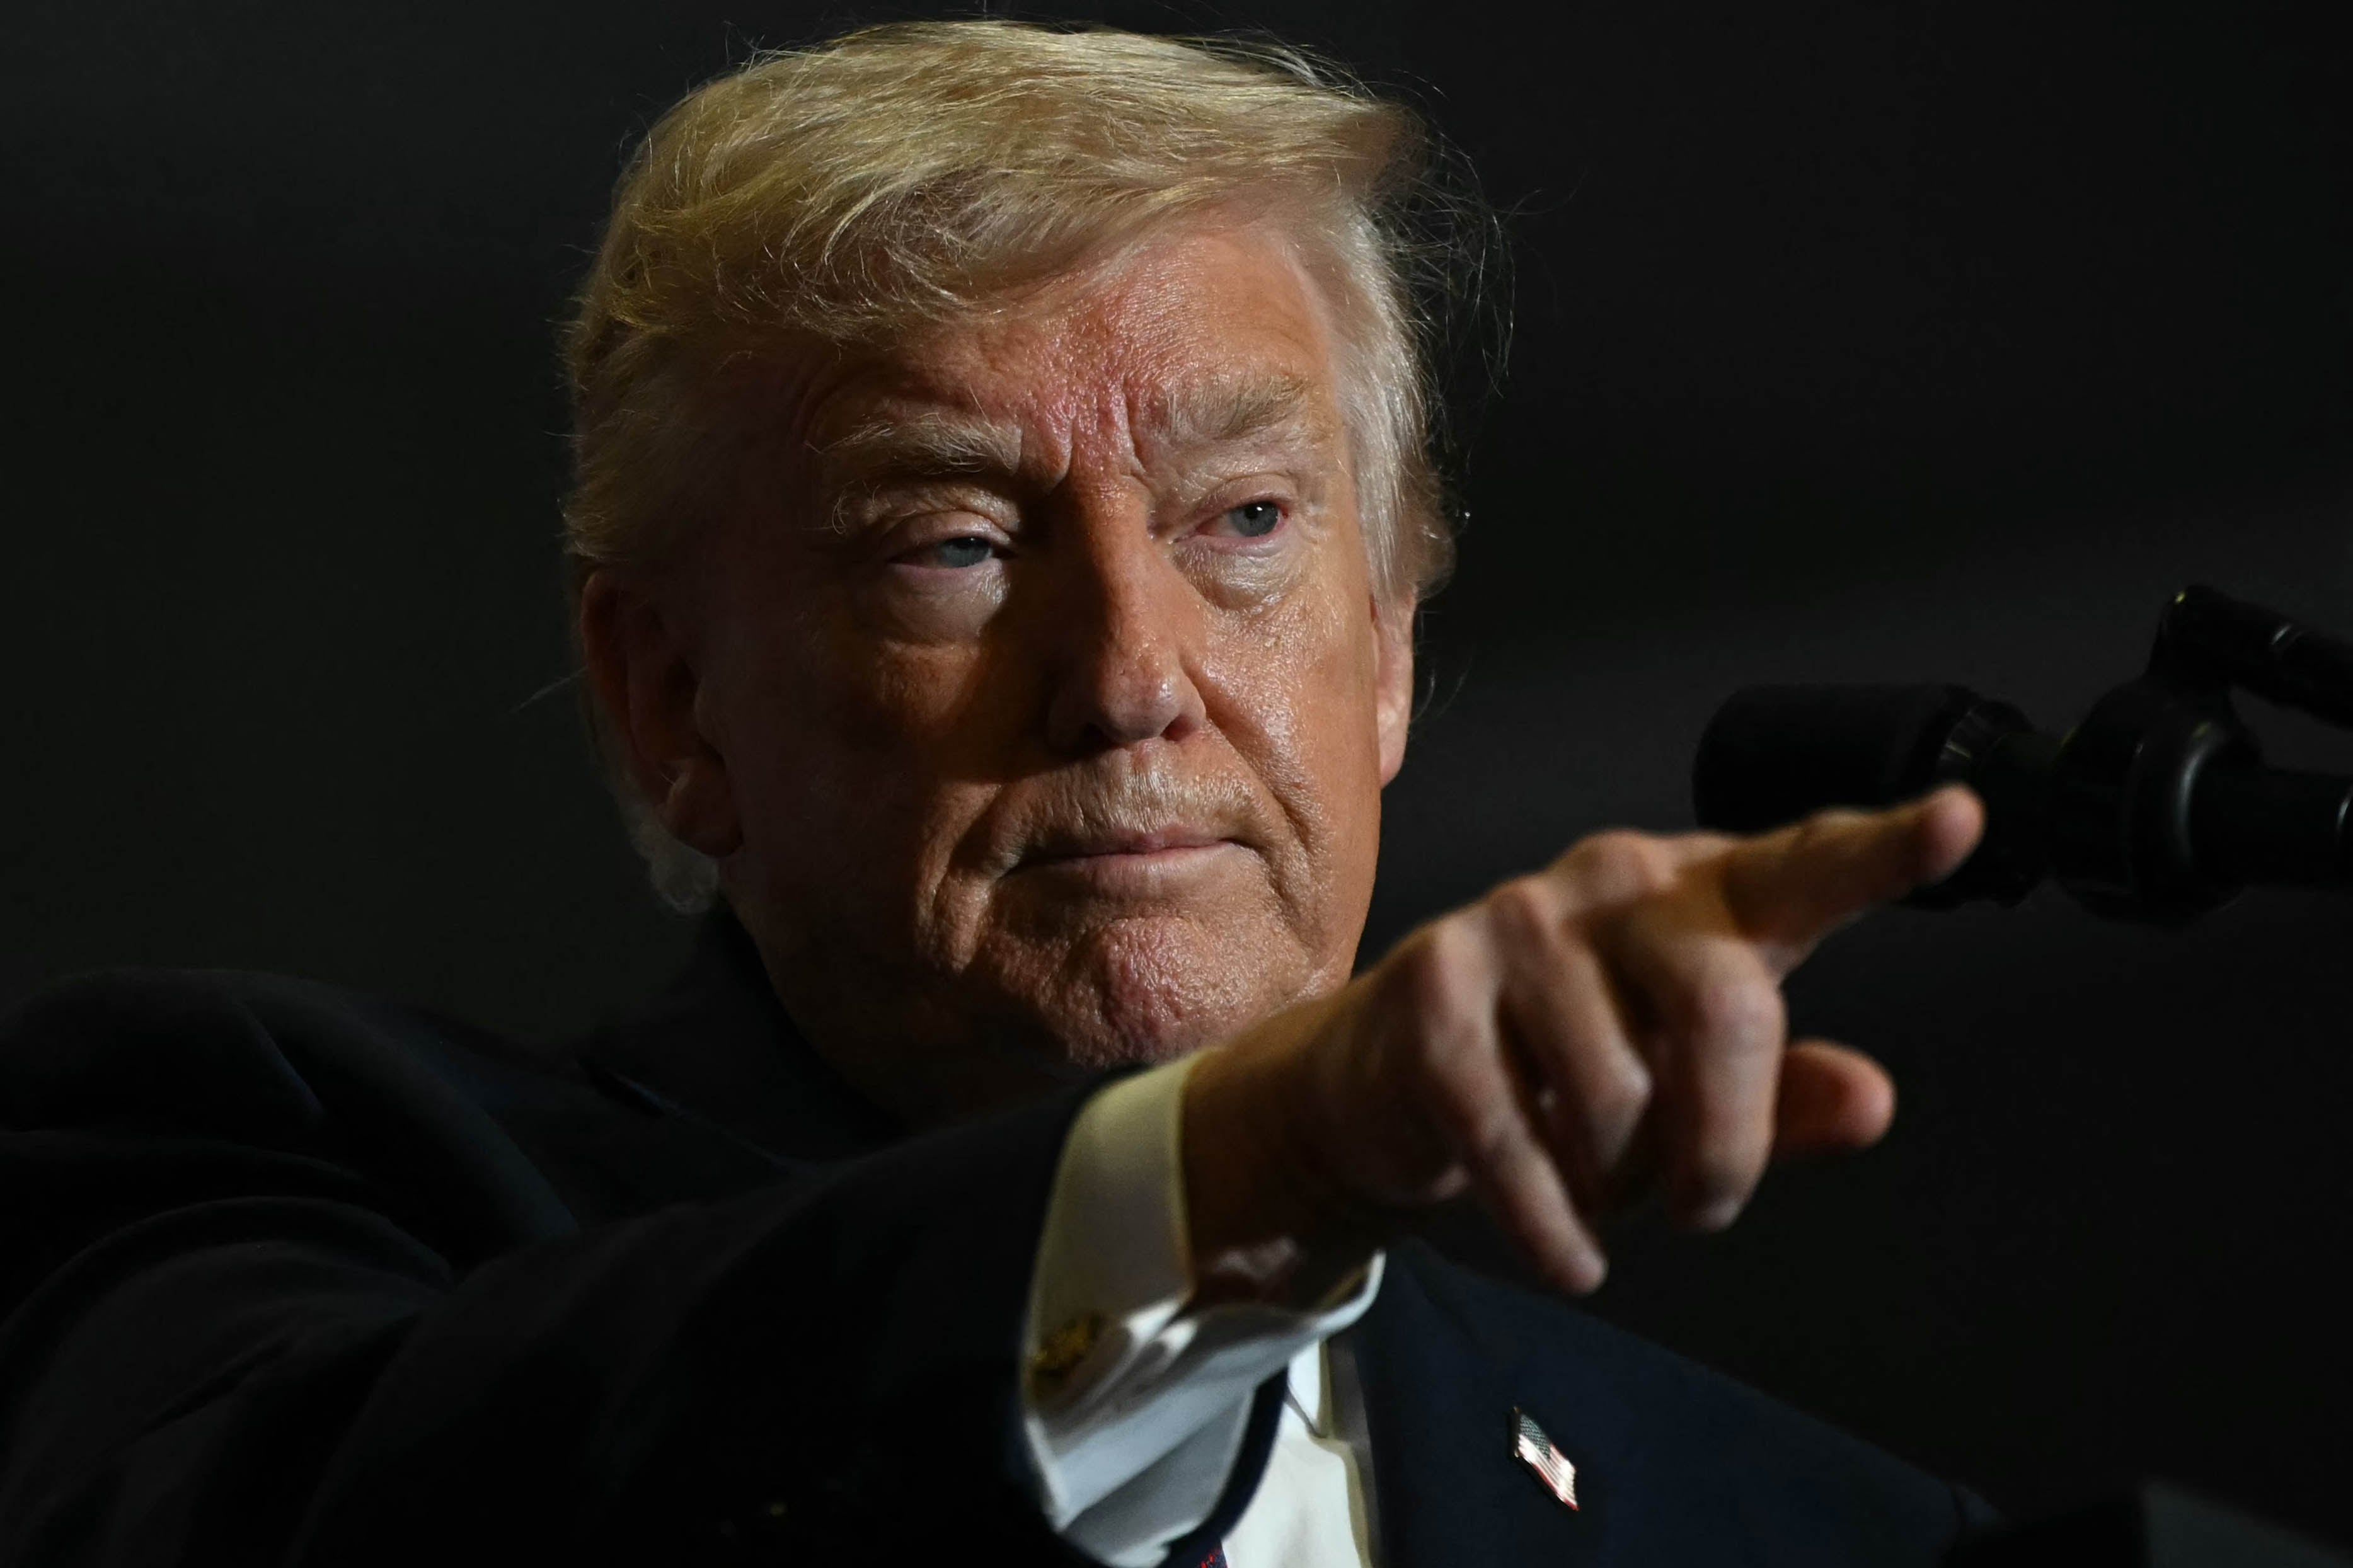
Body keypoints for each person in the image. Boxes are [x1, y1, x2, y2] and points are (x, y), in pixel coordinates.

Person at [0, 20, 1993, 1565]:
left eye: (1246, 519)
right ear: (669, 697)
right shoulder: (286, 1190)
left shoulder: (1819, 1530)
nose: (1132, 674)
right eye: (953, 542)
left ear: (1387, 645)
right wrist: (1246, 1163)